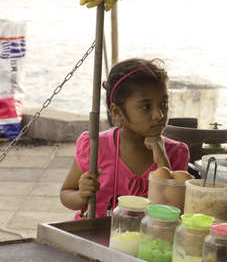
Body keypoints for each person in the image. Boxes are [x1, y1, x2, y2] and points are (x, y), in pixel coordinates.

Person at [60, 58, 190, 218]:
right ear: (116, 111)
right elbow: (66, 193)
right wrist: (81, 195)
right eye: (145, 107)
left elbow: (174, 210)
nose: (159, 115)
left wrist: (163, 161)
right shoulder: (95, 146)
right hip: (97, 235)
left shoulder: (176, 153)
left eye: (163, 104)